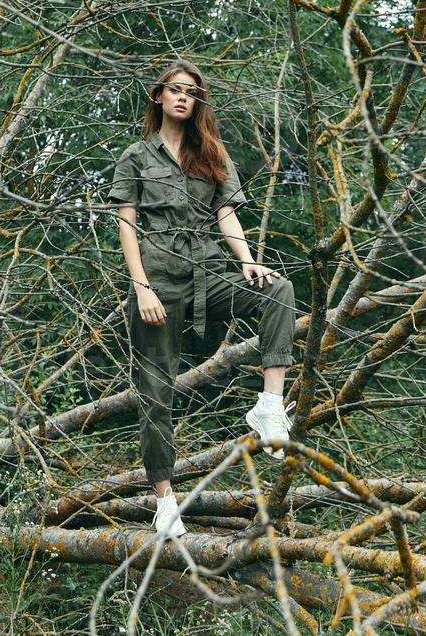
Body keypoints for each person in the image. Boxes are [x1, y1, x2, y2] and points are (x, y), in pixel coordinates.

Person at [107, 59, 296, 537]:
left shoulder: (212, 153)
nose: (182, 97)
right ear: (159, 96)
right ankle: (165, 501)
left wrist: (248, 259)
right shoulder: (136, 156)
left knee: (278, 289)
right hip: (158, 281)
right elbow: (126, 225)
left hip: (207, 272)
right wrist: (141, 287)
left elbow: (226, 215)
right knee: (156, 393)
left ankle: (271, 404)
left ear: (198, 102)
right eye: (174, 89)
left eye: (191, 91)